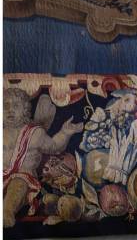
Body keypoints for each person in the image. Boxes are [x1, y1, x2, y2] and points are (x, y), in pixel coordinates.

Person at [3, 88, 83, 228]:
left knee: (18, 184)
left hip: (24, 179)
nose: (9, 109)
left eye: (15, 105)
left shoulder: (34, 134)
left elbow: (55, 147)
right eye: (5, 105)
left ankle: (6, 212)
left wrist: (65, 132)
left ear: (25, 110)